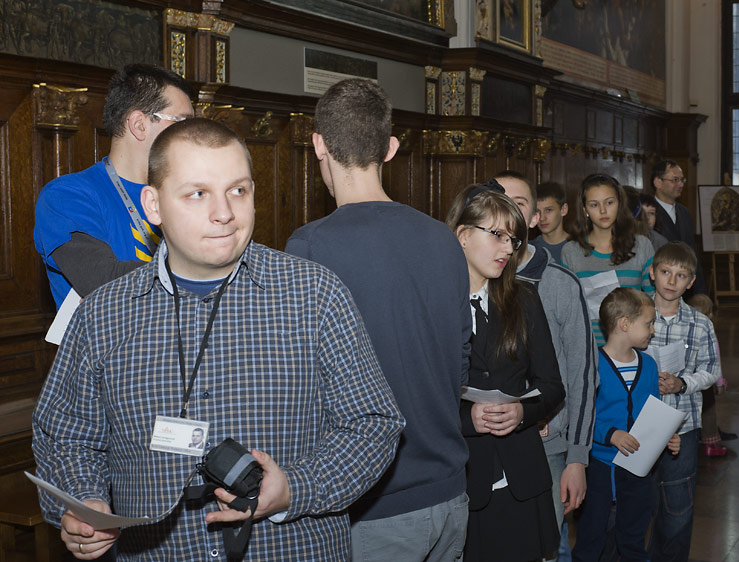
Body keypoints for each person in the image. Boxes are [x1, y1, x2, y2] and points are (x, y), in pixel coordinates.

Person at [32, 118, 405, 561]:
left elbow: (373, 424)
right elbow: (66, 436)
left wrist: (295, 488)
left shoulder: (315, 294)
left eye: (238, 190)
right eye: (197, 194)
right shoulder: (102, 313)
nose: (224, 212)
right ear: (153, 205)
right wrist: (84, 501)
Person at [285, 78, 471, 562]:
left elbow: (301, 386)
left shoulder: (309, 246)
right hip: (451, 492)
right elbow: (461, 360)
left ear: (319, 144)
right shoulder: (443, 239)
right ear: (390, 148)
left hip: (375, 503)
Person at [445, 183, 565, 562]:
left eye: (513, 240)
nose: (508, 249)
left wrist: (522, 412)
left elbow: (552, 386)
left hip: (520, 476)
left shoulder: (523, 298)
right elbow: (416, 398)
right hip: (461, 476)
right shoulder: (432, 303)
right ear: (463, 235)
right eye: (497, 235)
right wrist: (468, 419)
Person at [495, 170, 597, 562]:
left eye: (518, 203)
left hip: (547, 447)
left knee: (545, 549)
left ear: (536, 218)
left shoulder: (559, 284)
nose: (507, 211)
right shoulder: (466, 279)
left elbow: (583, 375)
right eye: (498, 201)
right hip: (482, 447)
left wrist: (577, 458)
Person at [34, 63, 195, 308]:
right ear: (139, 125)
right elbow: (103, 280)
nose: (193, 135)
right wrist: (208, 270)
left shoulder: (185, 193)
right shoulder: (66, 195)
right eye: (181, 122)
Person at [572, 288, 680, 562]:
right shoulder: (591, 364)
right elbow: (580, 415)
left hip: (638, 469)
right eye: (648, 323)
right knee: (591, 537)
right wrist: (610, 434)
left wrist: (667, 435)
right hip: (599, 467)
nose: (653, 330)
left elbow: (653, 412)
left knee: (633, 537)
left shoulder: (649, 365)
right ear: (624, 324)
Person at [646, 242, 720, 562]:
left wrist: (683, 383)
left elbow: (712, 371)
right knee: (635, 502)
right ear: (652, 273)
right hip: (639, 423)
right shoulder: (635, 315)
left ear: (691, 282)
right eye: (666, 272)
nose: (671, 281)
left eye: (681, 275)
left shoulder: (700, 324)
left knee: (677, 506)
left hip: (683, 424)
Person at [562, 174, 655, 346]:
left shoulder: (642, 246)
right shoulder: (571, 251)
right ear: (584, 209)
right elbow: (568, 309)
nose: (603, 211)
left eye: (609, 202)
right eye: (594, 205)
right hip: (588, 345)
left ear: (619, 204)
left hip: (632, 345)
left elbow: (652, 299)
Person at [685, 293, 736, 457]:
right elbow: (715, 361)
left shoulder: (686, 330)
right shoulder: (708, 333)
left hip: (687, 380)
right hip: (704, 381)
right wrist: (719, 383)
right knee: (708, 413)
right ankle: (710, 444)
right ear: (710, 315)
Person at [648, 160, 707, 297]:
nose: (681, 184)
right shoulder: (648, 213)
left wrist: (700, 293)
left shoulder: (684, 212)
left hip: (686, 288)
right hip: (660, 289)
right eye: (675, 180)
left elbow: (692, 252)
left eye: (682, 180)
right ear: (658, 182)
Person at [532, 181, 571, 264]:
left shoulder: (580, 248)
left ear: (563, 210)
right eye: (537, 211)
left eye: (548, 210)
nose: (542, 218)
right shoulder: (530, 250)